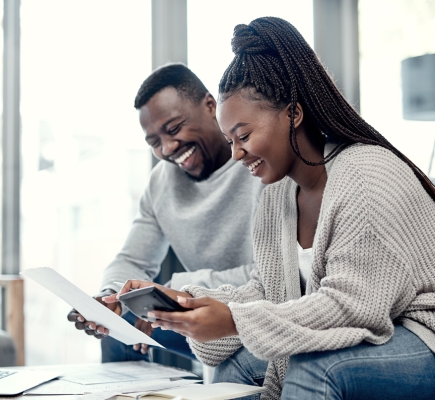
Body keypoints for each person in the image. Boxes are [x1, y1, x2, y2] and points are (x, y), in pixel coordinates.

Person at [107, 17, 435, 400]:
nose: (236, 153)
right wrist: (191, 302)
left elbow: (353, 307)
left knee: (314, 369)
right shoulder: (279, 193)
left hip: (418, 332)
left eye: (244, 136)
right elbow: (269, 289)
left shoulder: (365, 175)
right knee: (236, 367)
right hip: (372, 325)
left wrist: (233, 320)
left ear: (293, 114)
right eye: (230, 139)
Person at [67, 63, 265, 363]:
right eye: (154, 142)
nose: (168, 147)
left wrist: (174, 292)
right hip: (193, 309)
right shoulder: (161, 182)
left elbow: (269, 277)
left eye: (173, 129)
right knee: (118, 329)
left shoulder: (260, 163)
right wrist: (110, 299)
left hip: (252, 314)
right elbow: (132, 260)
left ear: (210, 106)